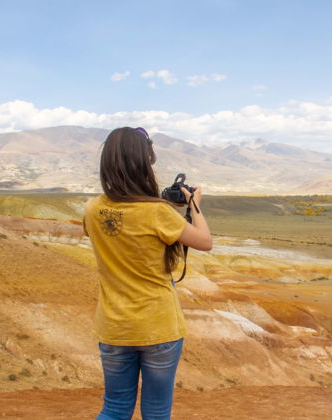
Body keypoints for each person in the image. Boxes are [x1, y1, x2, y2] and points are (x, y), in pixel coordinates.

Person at [83, 127, 212, 420]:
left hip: (115, 327)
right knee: (156, 411)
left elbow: (124, 228)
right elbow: (205, 242)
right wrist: (194, 205)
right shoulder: (157, 213)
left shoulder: (92, 209)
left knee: (114, 408)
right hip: (158, 326)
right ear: (146, 162)